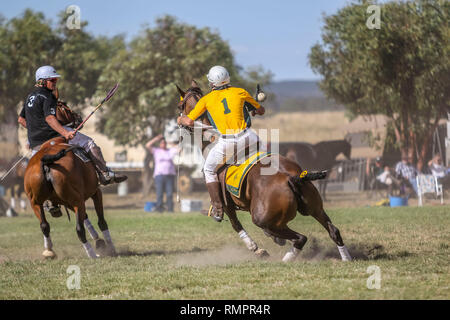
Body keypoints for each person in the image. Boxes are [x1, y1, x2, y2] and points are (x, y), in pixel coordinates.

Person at [18, 66, 127, 214]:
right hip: (53, 136)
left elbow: (21, 119)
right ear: (42, 81)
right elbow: (50, 118)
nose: (55, 83)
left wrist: (35, 130)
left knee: (36, 170)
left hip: (36, 142)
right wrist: (64, 132)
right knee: (88, 143)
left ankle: (48, 201)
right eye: (52, 80)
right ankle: (104, 173)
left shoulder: (29, 97)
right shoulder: (47, 96)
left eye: (56, 80)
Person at [177, 65, 265, 222]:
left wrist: (180, 119)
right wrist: (256, 108)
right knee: (267, 159)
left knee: (209, 170)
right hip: (250, 137)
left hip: (229, 142)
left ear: (211, 83)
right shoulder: (240, 92)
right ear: (228, 78)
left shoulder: (206, 99)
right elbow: (260, 111)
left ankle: (217, 208)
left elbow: (189, 121)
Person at [145, 134, 178, 213]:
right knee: (159, 193)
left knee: (169, 194)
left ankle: (170, 209)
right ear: (159, 144)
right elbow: (147, 145)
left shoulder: (170, 151)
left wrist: (169, 142)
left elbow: (180, 148)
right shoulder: (156, 151)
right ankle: (159, 209)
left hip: (170, 175)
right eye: (162, 143)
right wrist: (156, 138)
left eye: (164, 143)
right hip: (159, 176)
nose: (163, 144)